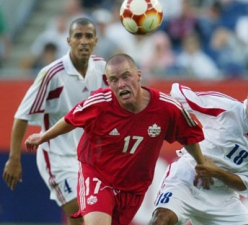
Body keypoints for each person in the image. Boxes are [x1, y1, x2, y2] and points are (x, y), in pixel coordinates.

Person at [24, 53, 207, 225]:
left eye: (126, 76)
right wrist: (43, 137)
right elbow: (70, 119)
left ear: (138, 76)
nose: (121, 84)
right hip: (97, 175)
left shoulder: (166, 108)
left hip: (134, 186)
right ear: (108, 83)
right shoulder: (100, 103)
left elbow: (188, 135)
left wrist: (201, 164)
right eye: (114, 80)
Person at [2, 17, 107, 225]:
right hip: (56, 156)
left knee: (95, 217)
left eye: (88, 36)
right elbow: (22, 115)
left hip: (89, 158)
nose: (83, 41)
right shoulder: (52, 74)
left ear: (96, 40)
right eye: (78, 36)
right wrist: (14, 158)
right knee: (78, 210)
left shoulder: (103, 69)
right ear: (68, 40)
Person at [149, 80, 248, 225]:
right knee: (161, 220)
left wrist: (215, 172)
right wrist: (190, 136)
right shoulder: (227, 108)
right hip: (185, 179)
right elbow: (178, 94)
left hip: (221, 195)